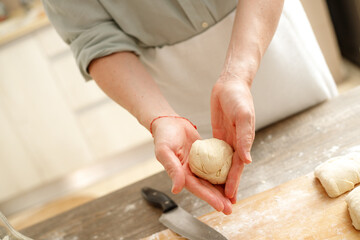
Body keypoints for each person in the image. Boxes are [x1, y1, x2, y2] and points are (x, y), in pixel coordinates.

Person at [42, 0, 337, 215]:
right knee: (248, 204)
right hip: (180, 101)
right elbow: (91, 35)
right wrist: (160, 118)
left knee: (330, 159)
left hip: (264, 35)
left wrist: (237, 74)